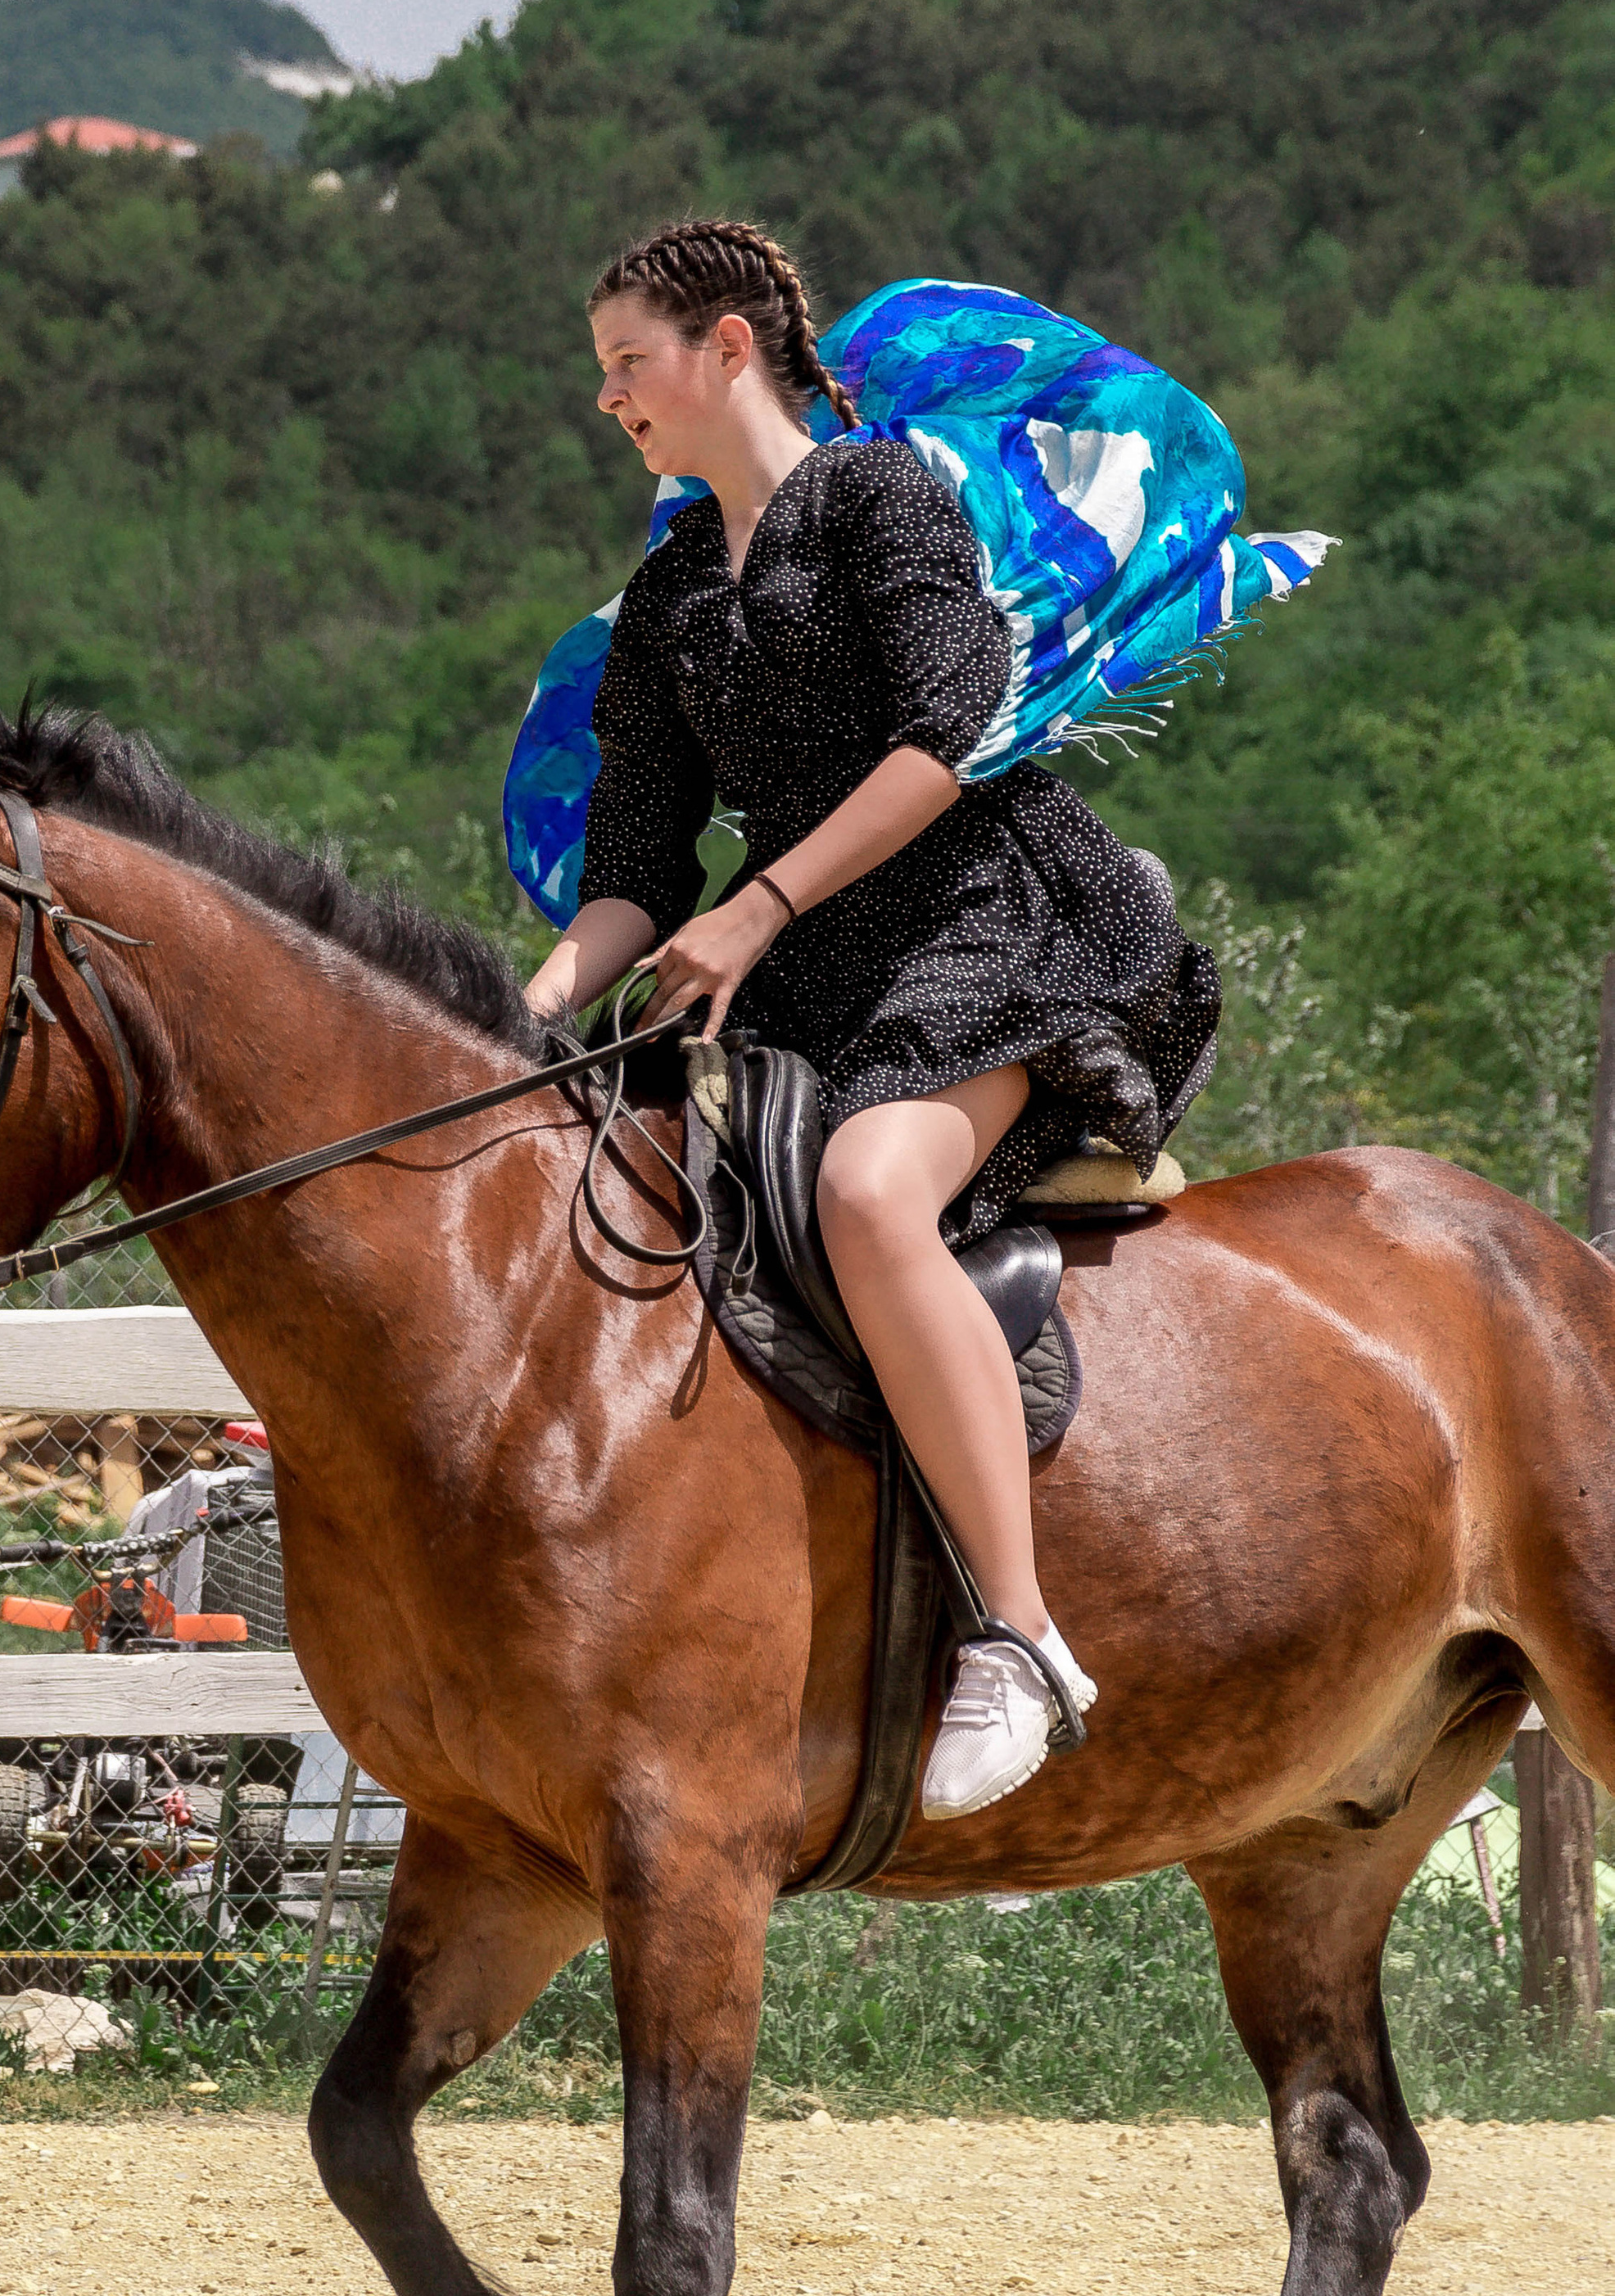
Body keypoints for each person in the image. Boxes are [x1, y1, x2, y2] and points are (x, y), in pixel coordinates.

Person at [522, 218, 1221, 1819]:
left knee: (864, 1189)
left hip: (986, 923)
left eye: (626, 362)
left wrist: (757, 905)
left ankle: (1022, 1641)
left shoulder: (878, 497)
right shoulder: (669, 593)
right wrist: (531, 1006)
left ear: (725, 349)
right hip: (801, 969)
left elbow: (941, 739)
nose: (609, 397)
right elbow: (633, 870)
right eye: (601, 372)